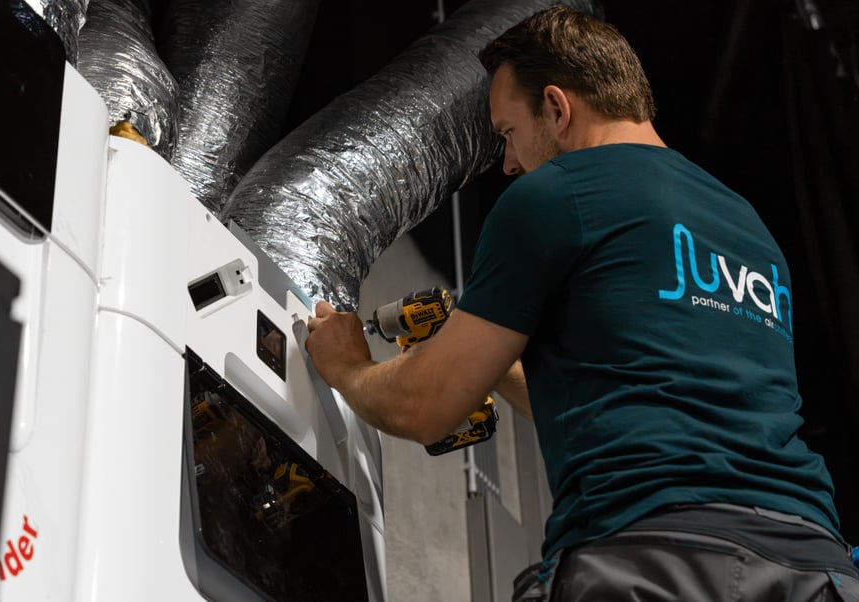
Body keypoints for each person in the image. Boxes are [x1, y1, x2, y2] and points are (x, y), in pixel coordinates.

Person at [305, 6, 859, 601]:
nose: (508, 162)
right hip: (815, 565)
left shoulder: (557, 193)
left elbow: (423, 408)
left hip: (654, 557)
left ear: (556, 108)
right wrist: (485, 366)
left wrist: (348, 365)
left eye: (507, 133)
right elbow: (629, 389)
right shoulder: (750, 229)